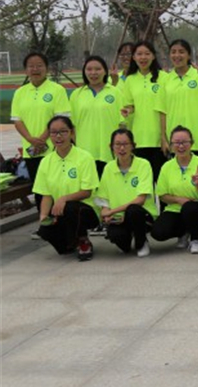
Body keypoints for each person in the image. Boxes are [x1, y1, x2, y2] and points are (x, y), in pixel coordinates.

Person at [34, 116, 100, 261]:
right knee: (46, 232)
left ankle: (83, 240)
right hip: (60, 212)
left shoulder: (84, 157)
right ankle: (72, 242)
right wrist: (43, 216)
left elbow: (87, 192)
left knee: (71, 207)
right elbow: (46, 195)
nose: (58, 136)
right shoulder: (46, 162)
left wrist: (63, 199)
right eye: (53, 132)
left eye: (63, 131)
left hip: (86, 211)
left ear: (72, 132)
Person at [12, 52, 72, 194]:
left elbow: (60, 119)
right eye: (31, 66)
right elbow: (17, 120)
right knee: (39, 189)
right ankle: (42, 209)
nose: (35, 69)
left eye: (39, 65)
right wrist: (30, 139)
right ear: (26, 70)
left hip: (54, 148)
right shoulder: (20, 92)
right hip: (31, 151)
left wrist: (42, 139)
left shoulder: (57, 90)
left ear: (47, 68)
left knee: (58, 188)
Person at [149, 126, 198, 253]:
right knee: (158, 232)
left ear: (192, 143)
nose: (181, 146)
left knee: (189, 208)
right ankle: (183, 232)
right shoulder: (166, 167)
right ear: (171, 145)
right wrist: (179, 200)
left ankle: (196, 239)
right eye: (176, 143)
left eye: (185, 142)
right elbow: (162, 195)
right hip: (175, 210)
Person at [96, 129, 157, 257]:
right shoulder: (108, 168)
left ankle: (141, 242)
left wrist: (112, 211)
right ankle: (127, 239)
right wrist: (106, 214)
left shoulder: (143, 165)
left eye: (125, 144)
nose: (122, 148)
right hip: (118, 218)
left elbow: (140, 200)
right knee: (118, 239)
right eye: (117, 144)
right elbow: (104, 200)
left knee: (134, 210)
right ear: (111, 147)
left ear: (133, 146)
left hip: (141, 215)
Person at [160, 40, 198, 161]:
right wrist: (163, 138)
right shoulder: (166, 80)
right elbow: (162, 111)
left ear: (189, 55)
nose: (177, 55)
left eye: (181, 52)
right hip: (175, 142)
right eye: (173, 52)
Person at [69, 55, 125, 178]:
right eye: (89, 69)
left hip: (109, 152)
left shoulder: (116, 93)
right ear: (84, 72)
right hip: (84, 152)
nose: (93, 73)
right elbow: (71, 126)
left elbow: (122, 123)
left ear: (105, 71)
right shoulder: (76, 95)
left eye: (98, 69)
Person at [120, 41, 166, 179]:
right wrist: (128, 110)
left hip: (160, 139)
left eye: (147, 54)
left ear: (153, 56)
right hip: (139, 138)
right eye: (139, 54)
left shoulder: (164, 77)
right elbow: (129, 104)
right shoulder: (130, 80)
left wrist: (164, 137)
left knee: (161, 181)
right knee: (143, 181)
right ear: (134, 57)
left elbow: (166, 107)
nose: (143, 57)